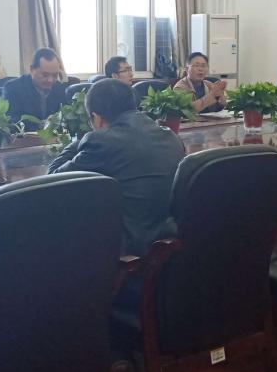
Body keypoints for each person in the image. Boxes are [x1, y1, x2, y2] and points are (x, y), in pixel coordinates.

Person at [48, 79, 185, 255]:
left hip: (131, 248)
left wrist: (83, 138)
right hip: (171, 239)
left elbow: (54, 178)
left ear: (96, 118)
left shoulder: (102, 142)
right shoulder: (171, 136)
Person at [5, 48, 68, 130]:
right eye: (45, 75)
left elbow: (65, 119)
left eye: (55, 75)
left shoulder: (59, 88)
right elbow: (12, 123)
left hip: (54, 137)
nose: (50, 80)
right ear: (31, 69)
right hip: (25, 137)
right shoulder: (13, 88)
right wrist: (43, 126)